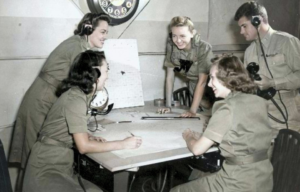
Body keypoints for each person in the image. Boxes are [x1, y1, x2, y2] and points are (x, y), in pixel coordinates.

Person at [9, 13, 111, 191]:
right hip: (41, 102)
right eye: (102, 31)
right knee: (31, 162)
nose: (105, 36)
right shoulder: (79, 49)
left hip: (49, 100)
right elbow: (86, 84)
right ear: (88, 28)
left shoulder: (80, 44)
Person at [22, 50, 142, 192]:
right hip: (46, 167)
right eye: (106, 70)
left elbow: (65, 128)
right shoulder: (76, 98)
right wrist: (123, 144)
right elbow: (83, 147)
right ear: (96, 74)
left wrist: (87, 136)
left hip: (60, 163)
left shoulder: (79, 94)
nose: (108, 76)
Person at [170, 55, 273, 192]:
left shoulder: (226, 107)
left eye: (212, 77)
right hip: (263, 179)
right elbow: (242, 137)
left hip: (237, 182)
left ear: (227, 78)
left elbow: (197, 150)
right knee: (197, 175)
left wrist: (188, 136)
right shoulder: (259, 102)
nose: (209, 84)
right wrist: (206, 137)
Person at [234, 1, 300, 138]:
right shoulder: (249, 52)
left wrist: (273, 82)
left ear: (258, 20)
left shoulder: (287, 42)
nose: (241, 32)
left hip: (288, 120)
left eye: (244, 26)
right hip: (261, 121)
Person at [159, 16, 214, 117]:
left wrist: (192, 111)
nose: (178, 40)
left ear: (192, 33)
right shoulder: (171, 45)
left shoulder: (204, 48)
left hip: (213, 86)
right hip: (194, 85)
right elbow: (170, 77)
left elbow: (202, 82)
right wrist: (168, 106)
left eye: (182, 36)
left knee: (214, 110)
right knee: (204, 111)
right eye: (174, 35)